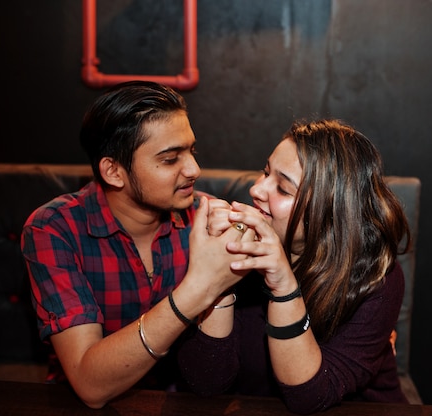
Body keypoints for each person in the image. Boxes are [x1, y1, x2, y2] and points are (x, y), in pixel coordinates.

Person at [21, 81, 254, 409]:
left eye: (191, 151)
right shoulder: (56, 229)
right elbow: (90, 385)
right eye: (171, 159)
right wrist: (199, 288)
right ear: (113, 172)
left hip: (182, 398)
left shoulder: (204, 218)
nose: (194, 169)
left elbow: (213, 376)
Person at [177, 119, 411, 414]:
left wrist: (283, 287)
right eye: (264, 172)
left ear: (330, 211)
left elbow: (310, 396)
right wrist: (219, 279)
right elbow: (205, 383)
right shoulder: (239, 246)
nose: (256, 189)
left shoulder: (376, 277)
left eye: (283, 189)